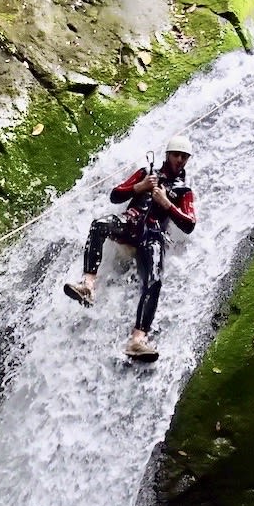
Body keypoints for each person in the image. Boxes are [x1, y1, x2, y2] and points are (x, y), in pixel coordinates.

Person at [63, 134, 197, 361]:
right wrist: (140, 187)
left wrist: (166, 204)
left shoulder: (184, 190)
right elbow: (116, 195)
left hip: (154, 235)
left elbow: (189, 224)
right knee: (99, 225)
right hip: (131, 221)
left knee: (154, 280)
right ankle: (87, 285)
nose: (180, 160)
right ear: (167, 155)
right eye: (177, 155)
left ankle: (138, 339)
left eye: (184, 157)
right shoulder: (146, 173)